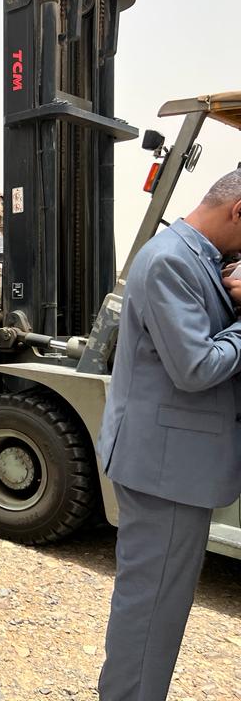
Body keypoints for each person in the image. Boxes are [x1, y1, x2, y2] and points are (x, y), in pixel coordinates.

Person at [97, 169, 241, 700]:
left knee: (156, 606)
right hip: (166, 470)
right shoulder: (170, 261)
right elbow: (197, 366)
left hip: (175, 462)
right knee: (151, 611)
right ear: (239, 210)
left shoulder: (201, 257)